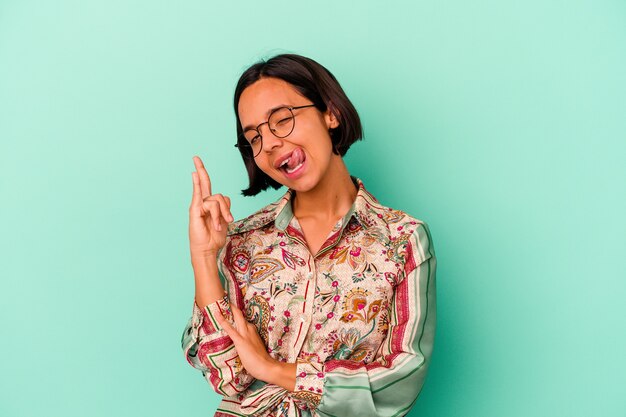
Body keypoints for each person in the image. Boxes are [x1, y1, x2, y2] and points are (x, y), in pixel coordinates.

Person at [181, 53, 437, 417]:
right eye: (253, 137)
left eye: (282, 120)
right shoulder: (241, 241)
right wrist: (205, 258)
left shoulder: (401, 240)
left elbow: (400, 381)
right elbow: (227, 377)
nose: (268, 144)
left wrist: (274, 370)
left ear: (330, 113)